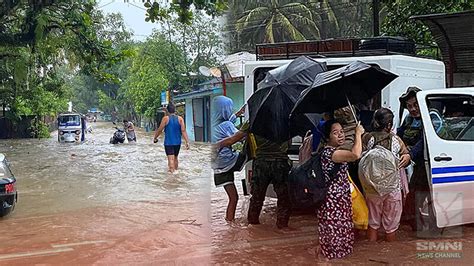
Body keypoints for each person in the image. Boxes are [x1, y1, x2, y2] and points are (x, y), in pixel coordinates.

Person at [216, 123, 292, 229]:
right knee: (283, 197)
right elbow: (289, 142)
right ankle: (282, 226)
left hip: (261, 163)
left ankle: (253, 226)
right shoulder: (284, 120)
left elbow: (232, 140)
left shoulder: (254, 120)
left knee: (257, 197)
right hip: (280, 163)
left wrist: (215, 145)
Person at [360, 108, 411, 242]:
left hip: (372, 187)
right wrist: (406, 156)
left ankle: (371, 247)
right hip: (392, 188)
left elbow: (359, 152)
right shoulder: (396, 140)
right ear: (389, 125)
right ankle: (391, 251)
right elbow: (406, 156)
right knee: (391, 225)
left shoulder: (368, 138)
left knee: (373, 221)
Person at [318, 119, 364, 260]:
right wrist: (358, 134)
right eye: (335, 133)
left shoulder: (335, 151)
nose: (340, 135)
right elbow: (356, 155)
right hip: (333, 203)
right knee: (335, 238)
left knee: (342, 235)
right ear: (327, 137)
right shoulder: (331, 153)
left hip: (341, 201)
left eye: (342, 132)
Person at [211, 96, 246, 221]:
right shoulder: (226, 126)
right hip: (230, 163)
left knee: (233, 198)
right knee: (249, 149)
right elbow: (241, 137)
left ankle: (229, 223)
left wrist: (239, 113)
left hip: (218, 169)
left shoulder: (213, 125)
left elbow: (230, 121)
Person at [153, 103, 190, 173]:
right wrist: (187, 142)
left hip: (168, 143)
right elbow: (183, 131)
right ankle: (176, 173)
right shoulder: (180, 119)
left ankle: (171, 175)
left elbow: (160, 129)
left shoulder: (165, 119)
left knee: (170, 159)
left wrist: (155, 137)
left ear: (167, 111)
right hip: (177, 143)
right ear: (175, 110)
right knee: (175, 158)